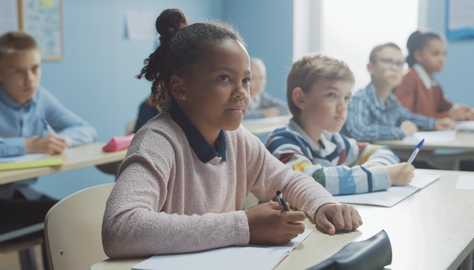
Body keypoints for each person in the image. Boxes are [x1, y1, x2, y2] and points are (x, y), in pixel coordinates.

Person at [102, 9, 362, 258]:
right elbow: (120, 228)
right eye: (224, 78)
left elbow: (288, 180)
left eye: (245, 80)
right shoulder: (158, 142)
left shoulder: (238, 138)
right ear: (180, 88)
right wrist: (243, 226)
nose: (241, 92)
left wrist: (322, 205)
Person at [0, 31, 96, 265]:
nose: (30, 79)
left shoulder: (40, 98)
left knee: (67, 213)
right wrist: (27, 145)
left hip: (21, 195)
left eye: (35, 68)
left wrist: (62, 140)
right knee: (58, 217)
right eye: (18, 71)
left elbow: (85, 128)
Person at [264, 54, 414, 196]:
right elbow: (310, 181)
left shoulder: (333, 141)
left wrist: (377, 166)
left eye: (347, 98)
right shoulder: (282, 141)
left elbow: (383, 151)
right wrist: (384, 175)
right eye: (332, 95)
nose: (342, 107)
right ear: (300, 99)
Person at [342, 42, 456, 142]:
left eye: (399, 64)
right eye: (387, 61)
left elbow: (408, 117)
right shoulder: (360, 98)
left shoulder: (391, 100)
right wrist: (400, 132)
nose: (394, 68)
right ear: (370, 67)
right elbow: (359, 131)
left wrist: (435, 124)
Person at [395, 30, 474, 120]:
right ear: (419, 55)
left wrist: (463, 112)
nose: (441, 59)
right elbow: (404, 117)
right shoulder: (409, 78)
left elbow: (447, 108)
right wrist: (449, 116)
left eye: (444, 54)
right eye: (435, 54)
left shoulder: (434, 84)